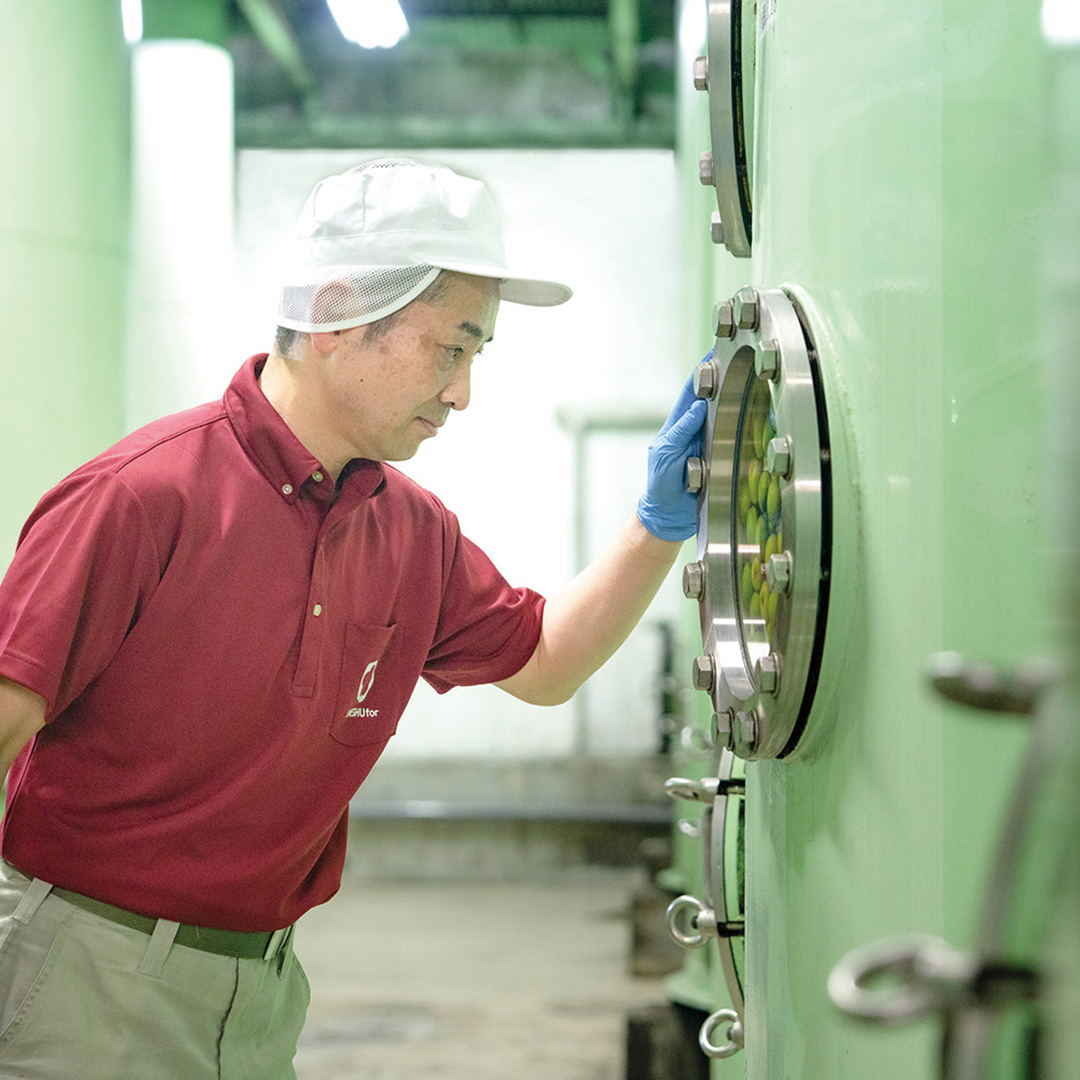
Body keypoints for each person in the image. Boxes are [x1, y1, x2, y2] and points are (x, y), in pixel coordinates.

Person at [0, 158, 706, 1078]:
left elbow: (543, 664)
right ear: (338, 315)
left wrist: (657, 528)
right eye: (450, 347)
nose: (461, 392)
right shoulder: (144, 496)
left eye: (473, 356)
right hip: (83, 974)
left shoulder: (411, 531)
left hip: (262, 991)